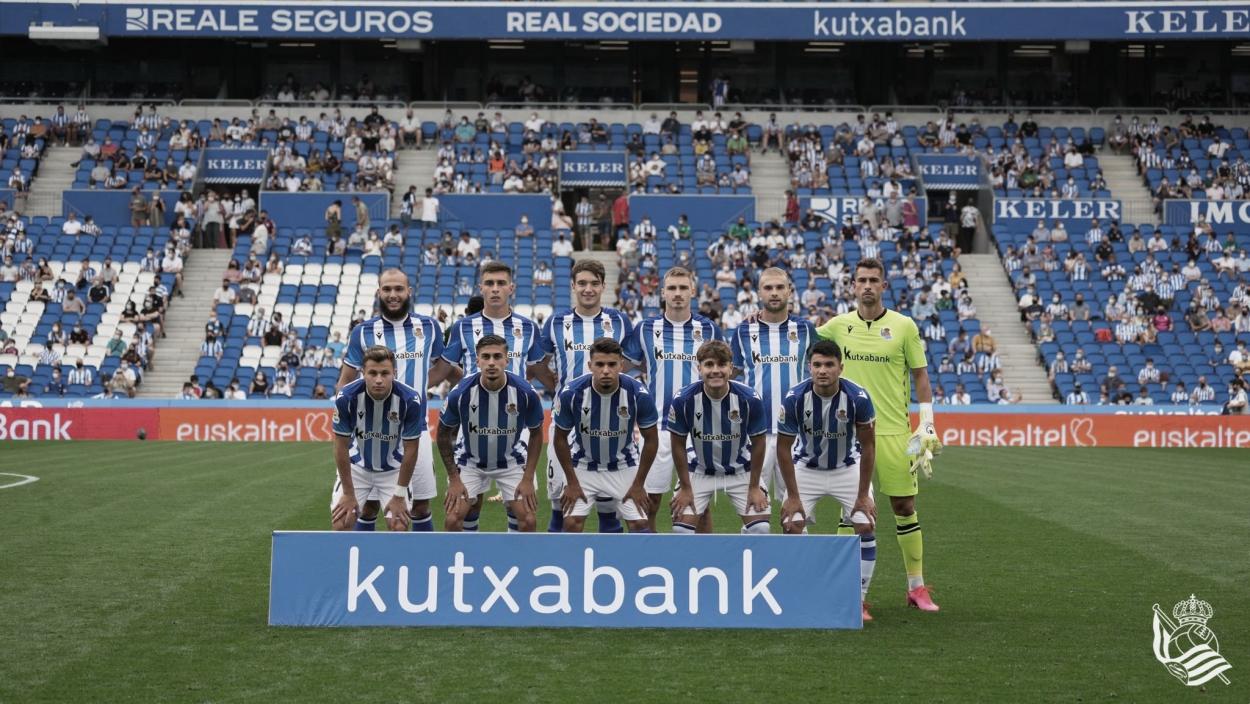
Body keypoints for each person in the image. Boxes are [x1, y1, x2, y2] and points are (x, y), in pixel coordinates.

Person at [814, 258, 941, 612]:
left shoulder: (903, 326)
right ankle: (848, 592)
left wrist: (926, 423)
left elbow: (920, 376)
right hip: (849, 434)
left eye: (874, 280)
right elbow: (803, 343)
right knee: (853, 513)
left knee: (904, 506)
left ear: (884, 285)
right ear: (852, 286)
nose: (867, 285)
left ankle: (916, 587)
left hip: (895, 433)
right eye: (861, 280)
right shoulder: (838, 326)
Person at [337, 269, 463, 533]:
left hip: (414, 429)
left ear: (409, 292)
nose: (393, 295)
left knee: (419, 506)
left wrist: (419, 388)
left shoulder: (428, 327)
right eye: (387, 289)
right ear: (379, 292)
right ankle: (363, 561)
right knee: (369, 506)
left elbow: (445, 367)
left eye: (398, 289)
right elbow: (346, 380)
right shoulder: (363, 331)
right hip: (371, 432)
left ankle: (419, 565)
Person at [776, 339, 877, 620]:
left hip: (847, 468)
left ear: (840, 368)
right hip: (806, 469)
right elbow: (783, 449)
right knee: (791, 524)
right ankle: (807, 592)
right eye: (817, 365)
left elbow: (869, 447)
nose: (823, 370)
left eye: (829, 365)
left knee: (865, 523)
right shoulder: (795, 397)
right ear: (809, 367)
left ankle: (858, 599)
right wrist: (793, 496)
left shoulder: (858, 398)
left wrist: (862, 495)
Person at [532, 260, 633, 533]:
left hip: (610, 425)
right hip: (566, 424)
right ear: (573, 286)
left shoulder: (620, 321)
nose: (588, 289)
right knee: (560, 504)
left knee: (608, 508)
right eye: (583, 284)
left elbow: (633, 360)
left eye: (594, 284)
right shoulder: (556, 322)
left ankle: (607, 570)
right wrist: (556, 386)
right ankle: (559, 569)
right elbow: (538, 363)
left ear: (603, 286)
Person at [623, 266, 721, 532]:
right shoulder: (645, 329)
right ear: (662, 293)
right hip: (656, 428)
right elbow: (622, 367)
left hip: (699, 429)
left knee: (699, 506)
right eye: (672, 288)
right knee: (648, 501)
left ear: (693, 291)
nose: (677, 294)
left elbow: (723, 373)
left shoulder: (709, 329)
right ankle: (650, 561)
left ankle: (704, 565)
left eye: (683, 288)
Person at [728, 267, 817, 514]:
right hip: (756, 434)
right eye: (768, 288)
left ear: (790, 290)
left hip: (797, 434)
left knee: (797, 517)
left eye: (780, 287)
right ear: (759, 293)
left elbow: (825, 370)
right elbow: (729, 376)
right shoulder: (743, 331)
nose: (774, 293)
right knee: (755, 515)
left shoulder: (806, 330)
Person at [438, 335, 544, 532]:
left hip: (511, 460)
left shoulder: (525, 393)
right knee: (453, 520)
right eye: (485, 357)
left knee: (528, 520)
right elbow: (443, 434)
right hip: (470, 461)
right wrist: (454, 479)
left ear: (507, 359)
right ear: (477, 360)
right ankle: (465, 561)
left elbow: (537, 434)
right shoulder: (460, 393)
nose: (492, 363)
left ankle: (516, 560)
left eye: (497, 356)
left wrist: (528, 478)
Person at [552, 338, 659, 533]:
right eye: (600, 364)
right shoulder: (572, 393)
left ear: (621, 365)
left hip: (624, 465)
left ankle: (637, 564)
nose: (606, 370)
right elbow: (559, 438)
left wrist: (639, 484)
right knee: (571, 524)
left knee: (641, 525)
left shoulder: (638, 394)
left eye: (612, 364)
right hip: (583, 465)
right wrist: (572, 482)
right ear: (590, 365)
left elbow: (651, 439)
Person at [667, 339, 772, 537]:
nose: (715, 370)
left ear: (731, 368)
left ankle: (745, 546)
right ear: (699, 368)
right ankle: (701, 564)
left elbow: (759, 443)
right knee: (680, 531)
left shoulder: (749, 399)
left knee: (760, 529)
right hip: (698, 470)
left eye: (722, 364)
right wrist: (686, 488)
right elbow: (677, 445)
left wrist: (754, 486)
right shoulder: (684, 399)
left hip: (741, 470)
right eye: (709, 364)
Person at [330, 346, 427, 532]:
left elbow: (412, 449)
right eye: (372, 373)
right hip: (356, 468)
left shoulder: (410, 400)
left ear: (395, 373)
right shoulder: (346, 397)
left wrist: (399, 495)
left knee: (399, 526)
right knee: (341, 524)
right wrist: (349, 494)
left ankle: (391, 562)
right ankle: (348, 561)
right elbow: (340, 447)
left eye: (385, 373)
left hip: (393, 470)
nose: (379, 380)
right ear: (362, 373)